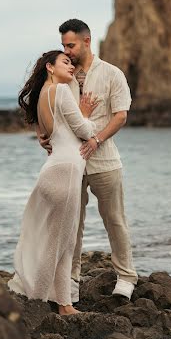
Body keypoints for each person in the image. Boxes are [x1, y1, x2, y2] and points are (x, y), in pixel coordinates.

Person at [39, 19, 138, 301]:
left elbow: (121, 115)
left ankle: (127, 278)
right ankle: (70, 283)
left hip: (105, 161)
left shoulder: (111, 74)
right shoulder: (62, 77)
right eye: (63, 46)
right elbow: (46, 106)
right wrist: (43, 134)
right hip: (71, 164)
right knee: (72, 224)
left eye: (70, 45)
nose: (66, 51)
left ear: (86, 40)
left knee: (115, 220)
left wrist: (96, 140)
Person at [8, 50, 99, 315]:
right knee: (59, 244)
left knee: (63, 242)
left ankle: (64, 305)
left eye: (71, 62)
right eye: (65, 62)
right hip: (66, 172)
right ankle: (36, 304)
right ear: (50, 67)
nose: (70, 67)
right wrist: (86, 114)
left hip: (53, 171)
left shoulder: (40, 98)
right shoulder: (60, 92)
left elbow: (50, 135)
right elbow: (83, 131)